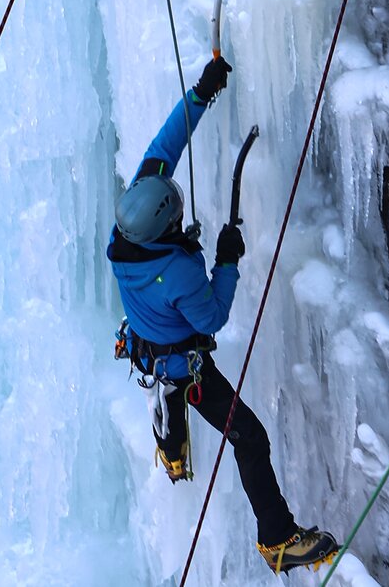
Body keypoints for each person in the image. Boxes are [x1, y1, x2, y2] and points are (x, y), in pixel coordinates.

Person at [108, 56, 339, 574]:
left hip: (147, 339)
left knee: (167, 389)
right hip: (183, 362)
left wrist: (200, 94)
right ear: (166, 227)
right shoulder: (177, 274)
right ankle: (278, 540)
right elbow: (212, 318)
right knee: (249, 436)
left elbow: (165, 146)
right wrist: (228, 261)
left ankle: (170, 446)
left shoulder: (127, 225)